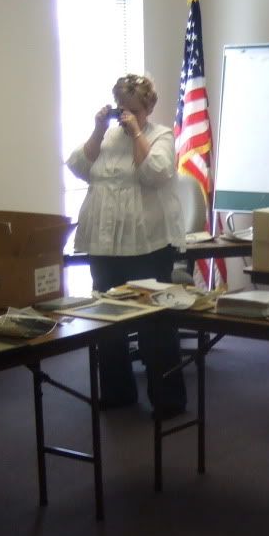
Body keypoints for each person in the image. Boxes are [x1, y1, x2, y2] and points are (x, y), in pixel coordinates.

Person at [65, 74, 187, 418]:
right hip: (105, 241)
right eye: (122, 108)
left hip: (147, 243)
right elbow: (79, 166)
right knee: (108, 319)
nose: (127, 114)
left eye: (134, 109)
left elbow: (157, 173)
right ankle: (118, 392)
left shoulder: (160, 135)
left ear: (149, 107)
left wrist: (136, 133)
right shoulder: (107, 136)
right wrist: (98, 129)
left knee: (154, 323)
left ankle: (167, 398)